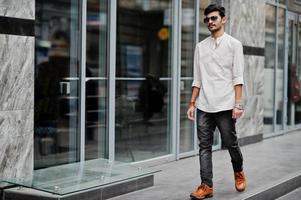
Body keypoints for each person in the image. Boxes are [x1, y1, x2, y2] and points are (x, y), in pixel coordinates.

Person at [187, 4, 246, 199]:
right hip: (204, 105)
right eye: (207, 20)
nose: (210, 22)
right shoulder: (200, 47)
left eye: (213, 18)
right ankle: (206, 186)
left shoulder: (234, 44)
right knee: (204, 147)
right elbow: (198, 79)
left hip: (226, 105)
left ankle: (238, 171)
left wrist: (238, 104)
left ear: (224, 19)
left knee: (230, 143)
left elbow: (238, 78)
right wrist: (192, 103)